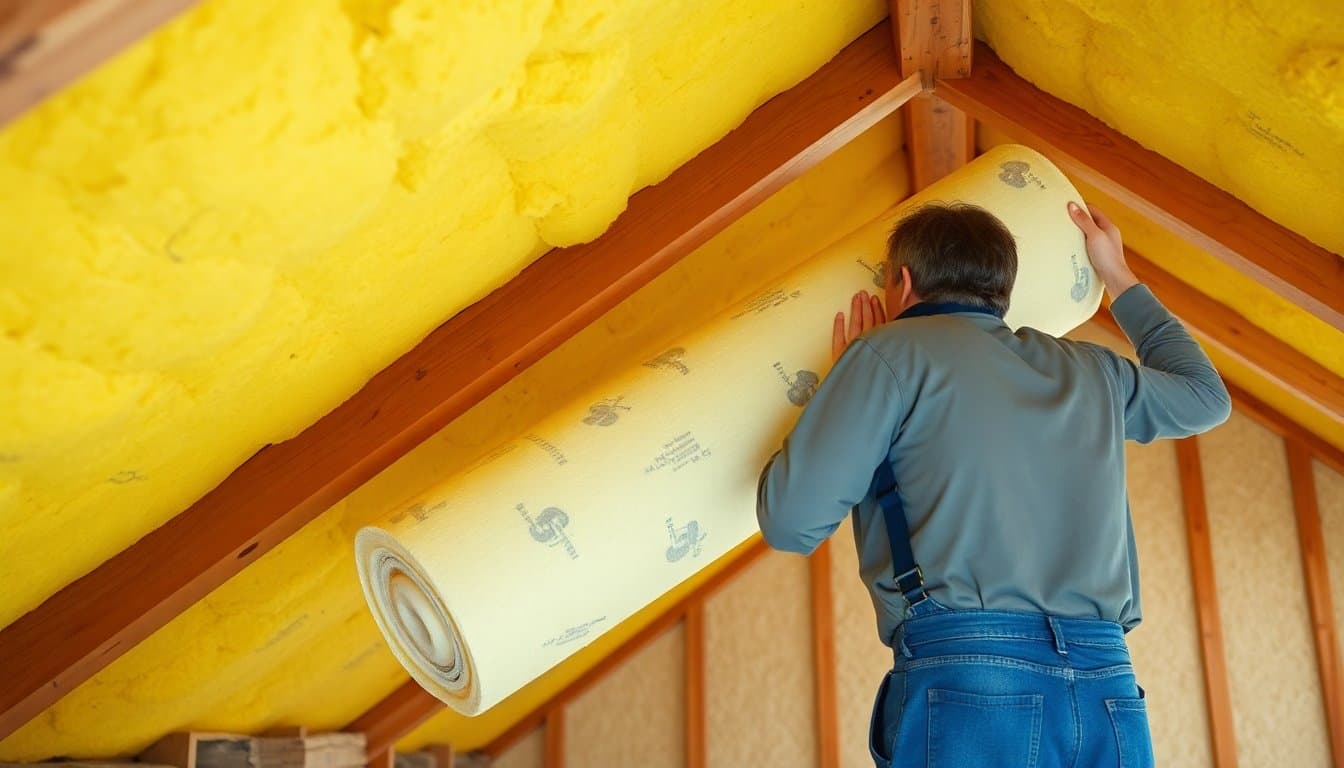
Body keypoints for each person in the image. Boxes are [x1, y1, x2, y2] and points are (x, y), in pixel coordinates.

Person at [755, 200, 1231, 768]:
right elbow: (1207, 397)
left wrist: (846, 397)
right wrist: (1117, 275)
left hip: (971, 682)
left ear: (902, 282)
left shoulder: (888, 355)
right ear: (1000, 291)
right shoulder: (1092, 370)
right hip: (1106, 683)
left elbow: (790, 522)